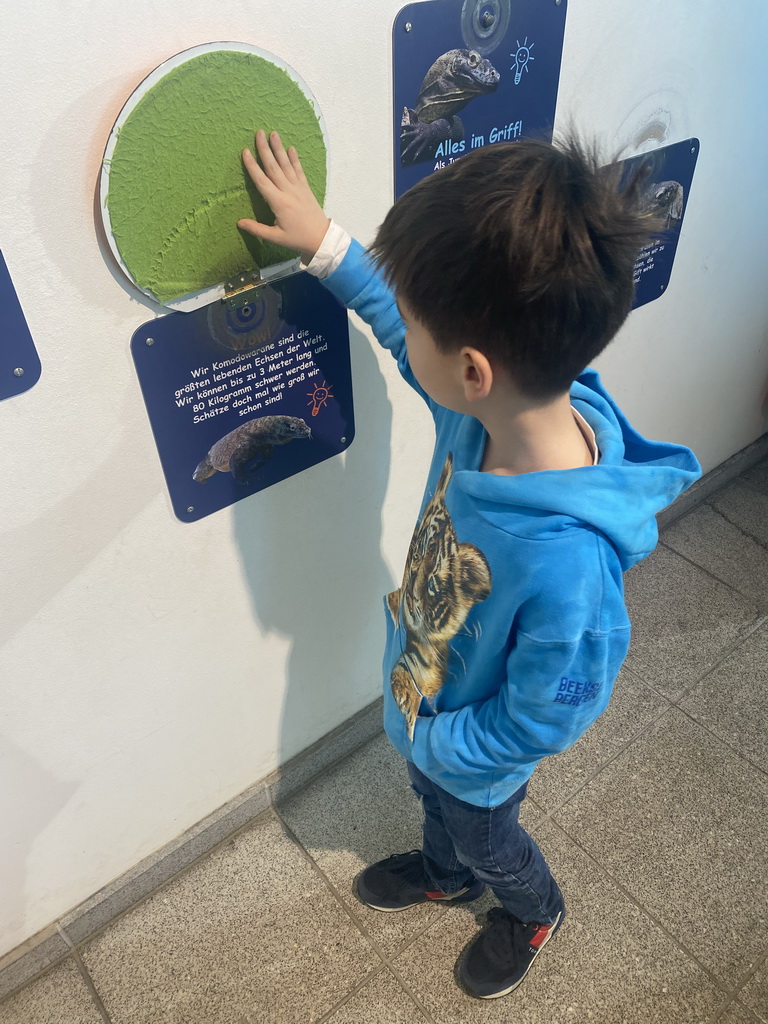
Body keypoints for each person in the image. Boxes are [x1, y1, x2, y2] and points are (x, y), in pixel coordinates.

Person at [237, 129, 701, 1000]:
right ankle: (446, 874)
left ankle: (531, 910)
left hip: (474, 756)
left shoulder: (571, 569)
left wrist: (444, 741)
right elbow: (392, 316)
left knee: (488, 838)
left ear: (472, 369)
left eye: (418, 330)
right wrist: (325, 242)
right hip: (425, 701)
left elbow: (548, 719)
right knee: (433, 810)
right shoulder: (486, 416)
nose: (401, 336)